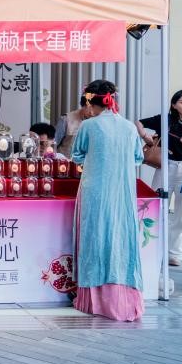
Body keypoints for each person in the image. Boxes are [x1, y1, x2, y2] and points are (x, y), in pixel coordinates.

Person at [71, 80, 143, 322]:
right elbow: (137, 158)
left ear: (91, 102)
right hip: (123, 191)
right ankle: (124, 299)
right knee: (122, 238)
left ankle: (94, 300)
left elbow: (76, 155)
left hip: (95, 190)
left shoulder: (88, 126)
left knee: (95, 237)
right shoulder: (129, 127)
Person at [136, 88, 182, 267]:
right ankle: (152, 248)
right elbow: (138, 122)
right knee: (157, 207)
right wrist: (145, 136)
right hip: (166, 166)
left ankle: (175, 254)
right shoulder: (165, 119)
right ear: (174, 105)